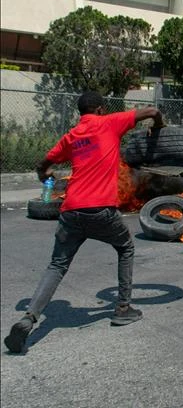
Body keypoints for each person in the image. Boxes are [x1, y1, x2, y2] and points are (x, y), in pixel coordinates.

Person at [4, 91, 165, 353]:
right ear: (101, 109)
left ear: (81, 112)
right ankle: (122, 308)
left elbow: (44, 163)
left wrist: (45, 174)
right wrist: (159, 128)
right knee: (125, 248)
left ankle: (29, 318)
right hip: (101, 210)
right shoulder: (110, 122)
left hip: (70, 212)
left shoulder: (72, 136)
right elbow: (152, 111)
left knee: (57, 265)